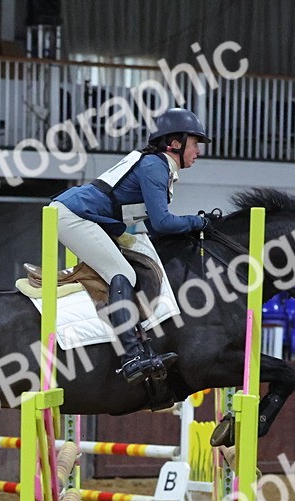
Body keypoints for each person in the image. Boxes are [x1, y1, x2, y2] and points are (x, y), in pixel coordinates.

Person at [49, 107, 211, 386]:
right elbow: (162, 223)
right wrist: (198, 222)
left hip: (87, 217)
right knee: (123, 274)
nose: (198, 151)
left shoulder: (159, 166)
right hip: (73, 216)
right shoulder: (155, 166)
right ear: (175, 143)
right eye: (195, 143)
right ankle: (131, 356)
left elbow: (153, 227)